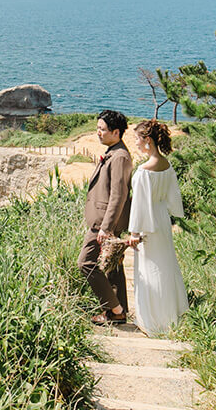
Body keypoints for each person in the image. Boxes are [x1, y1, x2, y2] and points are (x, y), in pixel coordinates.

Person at [124, 119, 188, 335]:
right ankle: (169, 316)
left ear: (148, 140)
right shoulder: (167, 165)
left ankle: (151, 320)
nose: (135, 143)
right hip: (161, 219)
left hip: (147, 223)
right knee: (166, 265)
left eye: (137, 139)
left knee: (149, 268)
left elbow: (139, 204)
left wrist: (134, 232)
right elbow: (173, 197)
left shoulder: (143, 171)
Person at [78, 110, 133, 325]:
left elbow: (119, 195)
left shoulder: (119, 157)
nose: (98, 133)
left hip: (103, 223)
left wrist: (106, 227)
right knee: (113, 267)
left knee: (86, 262)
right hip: (103, 220)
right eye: (98, 128)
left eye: (102, 129)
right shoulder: (114, 151)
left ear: (116, 132)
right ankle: (118, 312)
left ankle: (115, 307)